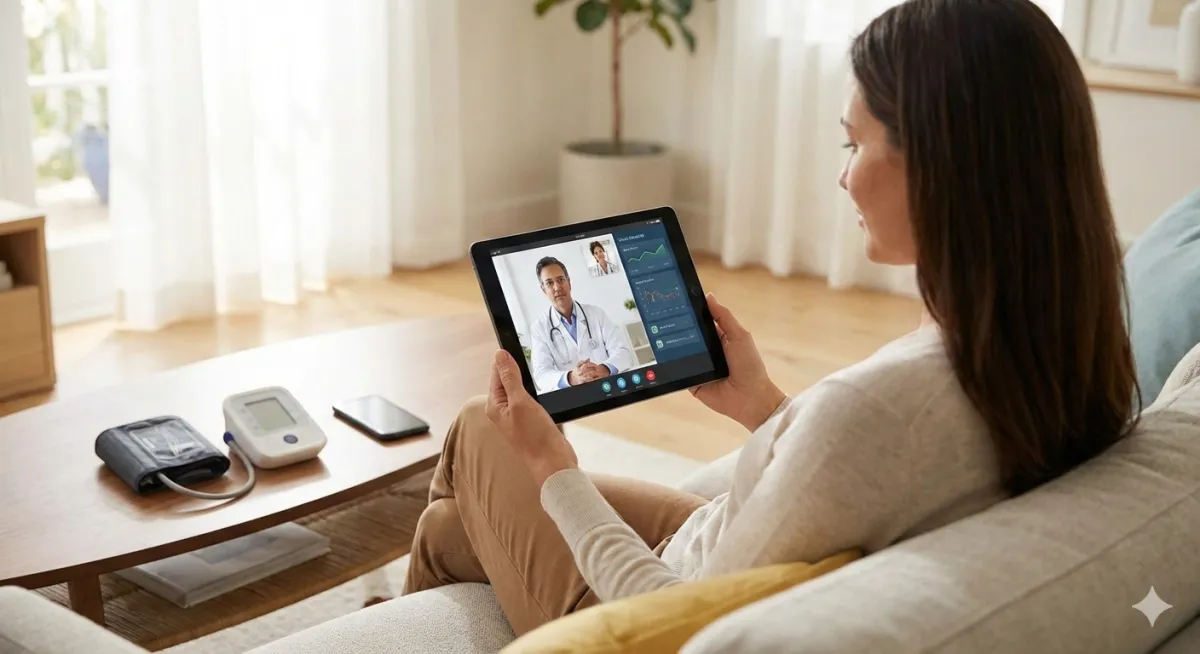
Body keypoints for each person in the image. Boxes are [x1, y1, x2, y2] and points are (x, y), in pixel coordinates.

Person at [406, 0, 1140, 636]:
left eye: (855, 143)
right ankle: (402, 622)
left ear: (943, 161)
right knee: (446, 527)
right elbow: (868, 472)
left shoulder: (884, 403)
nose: (842, 173)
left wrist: (552, 467)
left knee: (480, 425)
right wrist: (764, 405)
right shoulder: (1054, 347)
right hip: (723, 552)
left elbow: (672, 613)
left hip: (648, 606)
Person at [527, 256, 634, 393]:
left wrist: (603, 369)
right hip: (574, 398)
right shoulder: (539, 328)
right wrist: (572, 378)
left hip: (608, 389)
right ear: (543, 290)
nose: (557, 287)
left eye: (560, 280)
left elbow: (623, 352)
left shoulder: (596, 314)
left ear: (569, 282)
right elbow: (542, 374)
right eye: (549, 283)